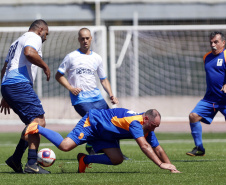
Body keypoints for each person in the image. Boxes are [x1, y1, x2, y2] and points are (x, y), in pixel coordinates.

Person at [23, 108, 181, 173]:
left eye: (156, 127)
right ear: (146, 119)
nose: (154, 129)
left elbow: (158, 148)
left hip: (107, 135)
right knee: (65, 146)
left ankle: (85, 159)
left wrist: (171, 166)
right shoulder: (136, 123)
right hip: (93, 123)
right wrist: (161, 164)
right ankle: (37, 127)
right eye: (153, 125)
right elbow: (145, 146)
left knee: (117, 159)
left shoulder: (147, 127)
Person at [55, 27, 118, 155]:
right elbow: (58, 75)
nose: (85, 41)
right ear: (79, 39)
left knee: (112, 122)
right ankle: (92, 147)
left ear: (91, 39)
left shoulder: (97, 58)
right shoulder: (71, 57)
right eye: (82, 38)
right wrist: (71, 88)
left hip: (97, 97)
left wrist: (111, 95)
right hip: (81, 99)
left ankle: (115, 152)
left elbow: (104, 79)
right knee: (95, 121)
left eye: (87, 38)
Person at [0, 19, 51, 174]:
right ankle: (31, 164)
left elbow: (5, 68)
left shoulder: (16, 41)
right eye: (46, 34)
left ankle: (15, 159)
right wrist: (45, 66)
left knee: (32, 123)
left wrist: (5, 94)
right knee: (39, 121)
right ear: (40, 29)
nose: (46, 38)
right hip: (18, 84)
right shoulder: (34, 37)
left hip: (9, 85)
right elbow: (29, 52)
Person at [186, 31, 226, 156]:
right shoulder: (206, 57)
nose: (213, 44)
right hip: (210, 99)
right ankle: (199, 148)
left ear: (223, 43)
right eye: (211, 42)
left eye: (216, 42)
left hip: (225, 99)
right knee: (193, 116)